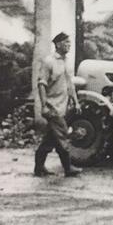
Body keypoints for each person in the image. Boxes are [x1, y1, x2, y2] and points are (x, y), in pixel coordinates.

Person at [33, 32, 82, 177]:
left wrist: (76, 101)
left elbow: (69, 84)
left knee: (50, 139)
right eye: (66, 42)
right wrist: (44, 105)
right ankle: (68, 168)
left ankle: (39, 167)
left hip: (63, 107)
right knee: (62, 136)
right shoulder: (49, 62)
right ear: (58, 44)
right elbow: (41, 84)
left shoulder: (66, 62)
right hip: (52, 107)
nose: (69, 45)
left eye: (69, 43)